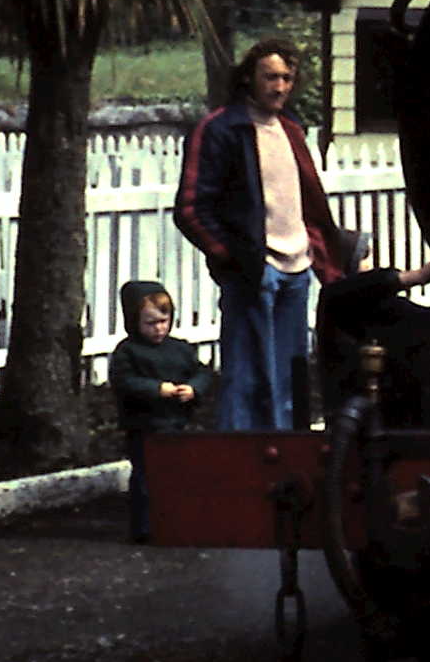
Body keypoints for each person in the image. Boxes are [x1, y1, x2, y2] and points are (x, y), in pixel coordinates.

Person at [174, 37, 348, 429]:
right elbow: (190, 208)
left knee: (291, 376)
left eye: (287, 77)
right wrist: (232, 256)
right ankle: (237, 468)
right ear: (249, 78)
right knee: (247, 377)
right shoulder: (220, 129)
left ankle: (286, 465)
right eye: (270, 77)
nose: (280, 86)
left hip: (297, 270)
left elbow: (308, 205)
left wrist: (323, 259)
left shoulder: (291, 131)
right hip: (254, 271)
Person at [108, 282, 215, 541]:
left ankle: (176, 521)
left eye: (163, 321)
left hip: (177, 423)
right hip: (144, 425)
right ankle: (144, 527)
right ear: (134, 321)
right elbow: (123, 381)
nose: (159, 329)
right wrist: (156, 389)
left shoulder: (180, 348)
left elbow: (202, 372)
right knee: (146, 477)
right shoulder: (128, 351)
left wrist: (193, 389)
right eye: (150, 323)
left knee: (177, 475)